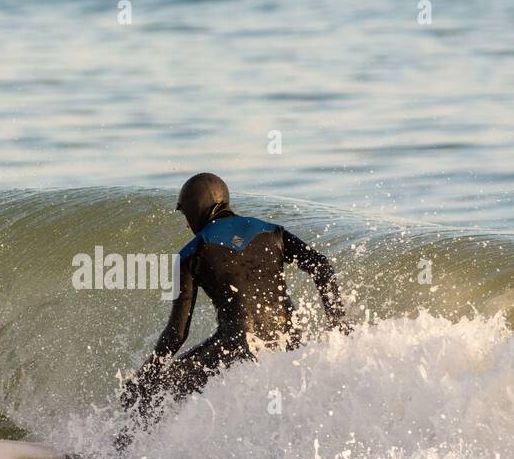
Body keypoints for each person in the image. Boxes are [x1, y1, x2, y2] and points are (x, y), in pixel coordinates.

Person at [120, 172, 351, 427]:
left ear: (196, 209)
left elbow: (176, 334)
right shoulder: (272, 232)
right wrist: (339, 327)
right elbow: (321, 265)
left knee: (161, 390)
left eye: (185, 214)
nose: (187, 224)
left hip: (237, 348)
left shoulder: (191, 253)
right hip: (291, 346)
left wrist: (146, 378)